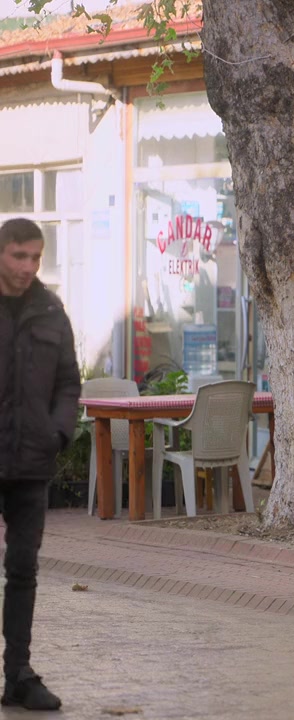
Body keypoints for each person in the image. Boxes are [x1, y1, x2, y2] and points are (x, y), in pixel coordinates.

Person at [0, 218, 80, 711]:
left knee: (23, 570)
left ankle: (19, 676)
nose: (28, 266)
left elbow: (69, 382)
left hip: (32, 461)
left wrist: (58, 433)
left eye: (35, 257)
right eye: (18, 256)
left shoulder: (52, 311)